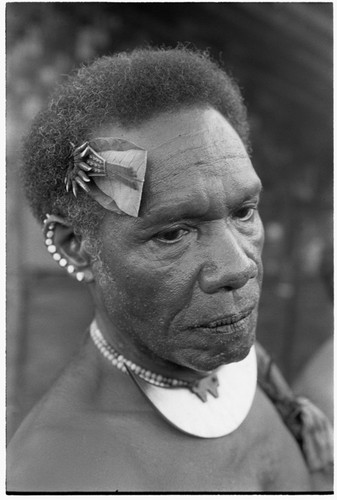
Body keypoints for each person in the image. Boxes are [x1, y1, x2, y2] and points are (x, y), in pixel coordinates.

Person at [7, 48, 332, 492]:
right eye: (173, 233)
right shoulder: (65, 474)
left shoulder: (238, 362)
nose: (237, 266)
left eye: (243, 211)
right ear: (77, 247)